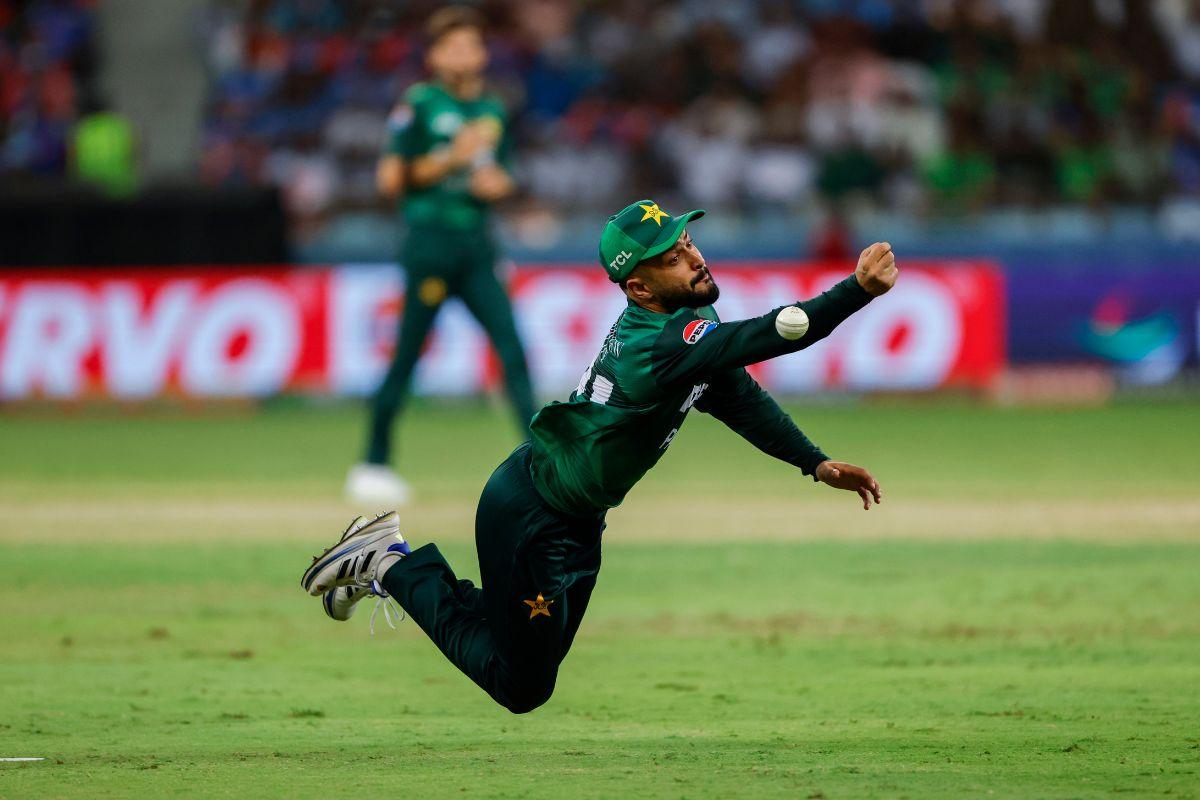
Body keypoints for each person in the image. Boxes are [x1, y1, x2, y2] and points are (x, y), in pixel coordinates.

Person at [305, 200, 898, 714]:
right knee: (522, 686)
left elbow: (735, 393)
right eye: (672, 259)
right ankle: (389, 563)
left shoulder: (686, 321)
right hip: (534, 516)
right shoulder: (663, 342)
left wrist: (813, 462)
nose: (694, 260)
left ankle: (394, 563)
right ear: (639, 288)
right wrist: (855, 292)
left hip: (574, 517)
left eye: (688, 243)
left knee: (523, 654)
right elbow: (777, 331)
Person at [346, 6, 536, 506]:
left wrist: (498, 184)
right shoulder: (420, 104)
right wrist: (449, 158)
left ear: (483, 53)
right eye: (451, 46)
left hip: (477, 246)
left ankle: (543, 461)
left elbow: (507, 174)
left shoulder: (493, 109)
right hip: (430, 244)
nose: (462, 55)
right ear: (433, 56)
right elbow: (389, 179)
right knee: (407, 355)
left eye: (470, 45)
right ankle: (372, 464)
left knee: (513, 349)